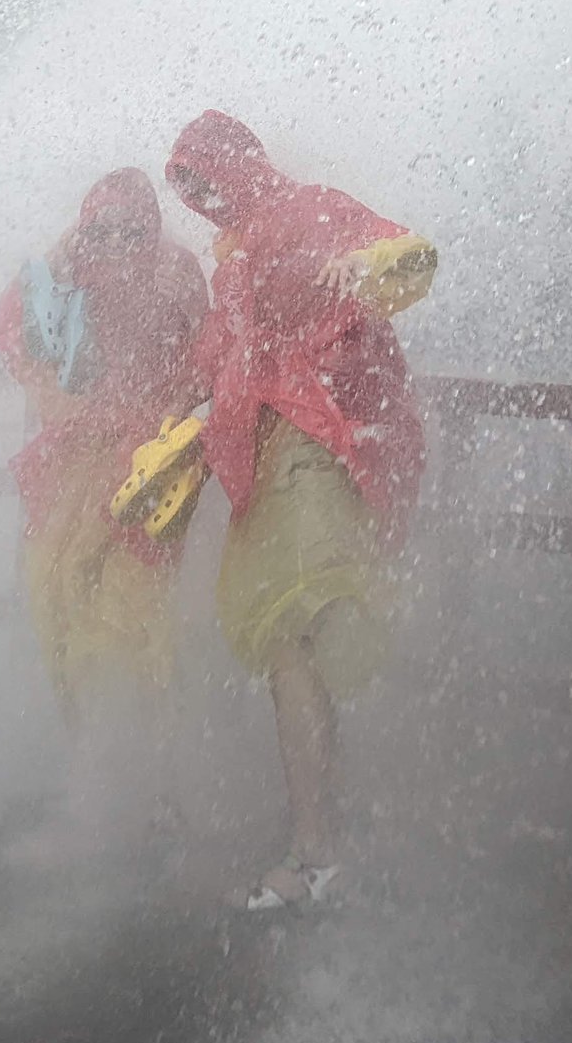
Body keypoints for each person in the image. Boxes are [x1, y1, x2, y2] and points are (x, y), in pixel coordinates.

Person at [160, 109, 437, 910]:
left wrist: (368, 271)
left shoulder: (306, 209)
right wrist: (166, 427)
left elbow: (397, 253)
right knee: (300, 641)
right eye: (193, 187)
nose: (207, 197)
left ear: (240, 165)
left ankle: (316, 850)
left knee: (295, 633)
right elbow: (217, 359)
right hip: (282, 459)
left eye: (210, 178)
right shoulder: (239, 256)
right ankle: (323, 838)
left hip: (315, 450)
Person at [0, 168, 209, 734]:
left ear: (151, 228)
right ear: (84, 228)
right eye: (101, 229)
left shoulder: (176, 272)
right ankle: (88, 746)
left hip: (145, 461)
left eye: (131, 231)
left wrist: (165, 414)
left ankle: (154, 748)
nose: (116, 243)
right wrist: (61, 251)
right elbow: (13, 325)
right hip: (73, 456)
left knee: (135, 597)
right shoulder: (71, 271)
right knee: (56, 587)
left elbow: (208, 356)